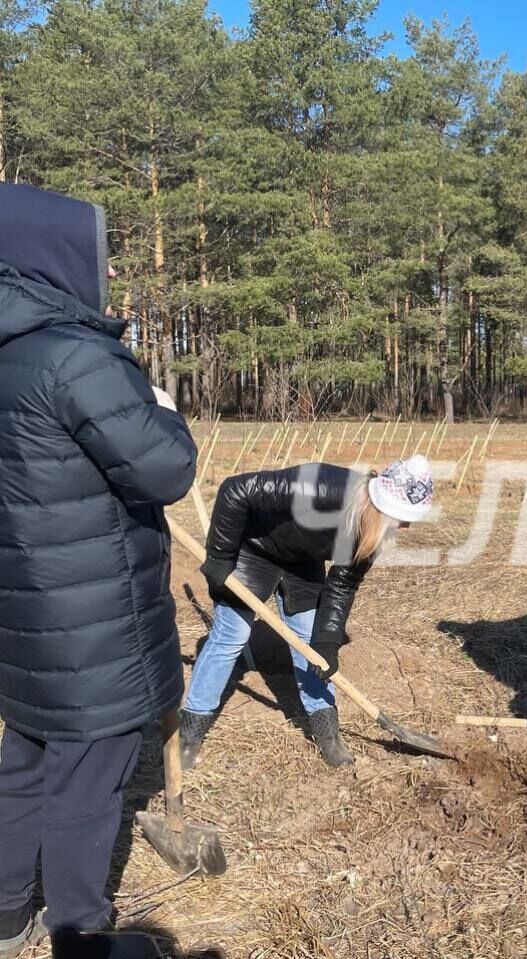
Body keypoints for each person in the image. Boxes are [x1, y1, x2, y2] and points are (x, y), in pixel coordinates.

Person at [0, 184, 196, 957]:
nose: (106, 275)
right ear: (57, 255)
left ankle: (5, 914)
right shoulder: (77, 356)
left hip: (25, 613)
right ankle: (80, 934)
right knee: (88, 785)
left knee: (23, 765)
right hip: (94, 621)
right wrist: (161, 405)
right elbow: (166, 469)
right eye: (96, 257)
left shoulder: (11, 351)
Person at [179, 455, 434, 769]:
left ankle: (327, 732)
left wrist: (327, 642)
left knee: (310, 644)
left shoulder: (373, 531)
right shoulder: (320, 485)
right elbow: (236, 490)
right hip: (253, 548)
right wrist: (220, 556)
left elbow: (343, 585)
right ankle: (190, 732)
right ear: (383, 504)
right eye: (403, 516)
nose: (406, 526)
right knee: (232, 635)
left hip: (301, 562)